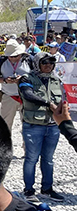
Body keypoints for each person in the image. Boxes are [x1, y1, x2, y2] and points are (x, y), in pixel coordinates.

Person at [18, 52, 64, 202]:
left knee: (49, 159)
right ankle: (29, 191)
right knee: (31, 158)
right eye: (44, 62)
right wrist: (48, 104)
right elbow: (28, 94)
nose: (48, 65)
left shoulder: (56, 80)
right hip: (33, 126)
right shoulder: (26, 79)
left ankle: (47, 189)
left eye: (51, 62)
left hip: (52, 126)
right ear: (37, 63)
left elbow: (62, 99)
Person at [0, 39, 31, 132]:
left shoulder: (29, 59)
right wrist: (5, 80)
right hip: (8, 96)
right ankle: (5, 145)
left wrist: (23, 79)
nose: (13, 58)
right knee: (5, 124)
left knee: (28, 125)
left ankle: (27, 146)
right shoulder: (1, 60)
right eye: (10, 56)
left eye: (16, 56)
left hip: (26, 96)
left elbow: (36, 76)